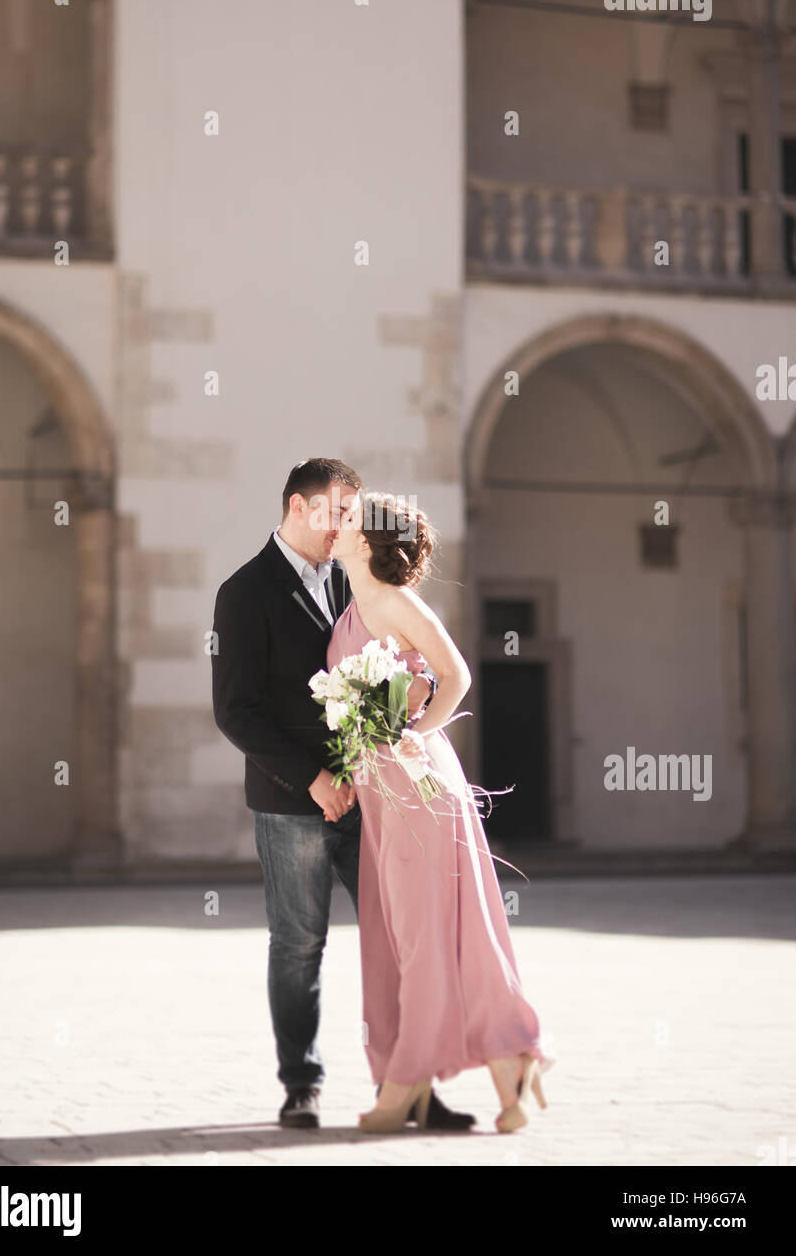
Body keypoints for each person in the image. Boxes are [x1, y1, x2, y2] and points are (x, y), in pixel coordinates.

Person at [211, 458, 476, 1131]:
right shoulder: (242, 592)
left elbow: (405, 663)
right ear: (299, 507)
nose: (347, 523)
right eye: (337, 508)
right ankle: (301, 1083)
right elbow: (236, 712)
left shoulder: (358, 579)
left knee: (399, 941)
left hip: (378, 800)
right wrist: (314, 779)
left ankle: (409, 1083)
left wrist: (410, 712)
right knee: (299, 944)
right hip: (290, 800)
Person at [328, 490, 554, 1133]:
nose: (335, 526)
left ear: (369, 540)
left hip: (421, 787)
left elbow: (456, 676)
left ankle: (408, 1079)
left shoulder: (397, 603)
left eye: (347, 521)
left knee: (430, 930)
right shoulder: (354, 607)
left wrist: (417, 732)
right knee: (413, 931)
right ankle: (510, 1063)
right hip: (380, 792)